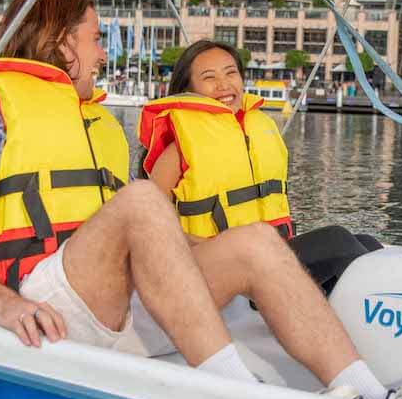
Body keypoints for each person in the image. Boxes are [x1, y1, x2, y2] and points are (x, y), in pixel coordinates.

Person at [0, 0, 402, 399]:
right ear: (62, 42)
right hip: (44, 304)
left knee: (251, 242)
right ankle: (242, 398)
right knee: (144, 200)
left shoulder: (90, 121)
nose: (101, 52)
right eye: (94, 39)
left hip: (110, 300)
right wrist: (5, 305)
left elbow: (126, 233)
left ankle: (379, 398)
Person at [139, 39, 380, 293]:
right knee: (337, 241)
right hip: (217, 265)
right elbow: (149, 223)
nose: (224, 85)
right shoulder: (178, 148)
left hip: (265, 254)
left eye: (231, 73)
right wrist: (199, 245)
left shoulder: (255, 127)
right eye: (209, 77)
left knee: (368, 243)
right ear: (188, 89)